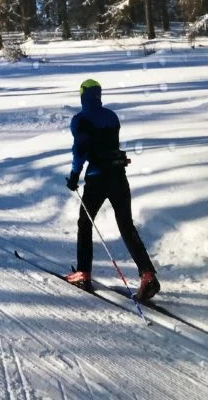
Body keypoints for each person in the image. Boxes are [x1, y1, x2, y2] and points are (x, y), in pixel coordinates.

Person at [65, 79, 160, 301]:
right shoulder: (112, 116)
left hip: (97, 178)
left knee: (85, 223)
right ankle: (147, 274)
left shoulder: (79, 120)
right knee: (126, 225)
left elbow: (79, 151)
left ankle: (83, 272)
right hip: (118, 176)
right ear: (98, 95)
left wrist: (73, 176)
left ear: (82, 96)